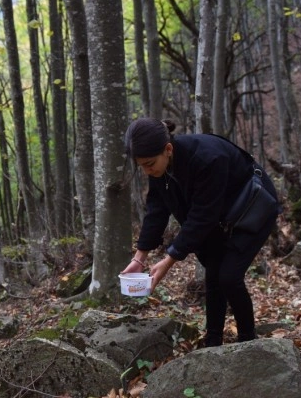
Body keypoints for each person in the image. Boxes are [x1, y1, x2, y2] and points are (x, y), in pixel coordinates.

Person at [120, 118, 280, 347]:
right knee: (213, 275)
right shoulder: (159, 169)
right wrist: (140, 257)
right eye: (141, 166)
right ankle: (213, 340)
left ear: (168, 149)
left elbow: (203, 216)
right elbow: (156, 210)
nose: (147, 170)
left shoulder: (208, 158)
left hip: (254, 209)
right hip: (221, 218)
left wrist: (169, 259)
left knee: (229, 277)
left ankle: (248, 341)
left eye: (149, 163)